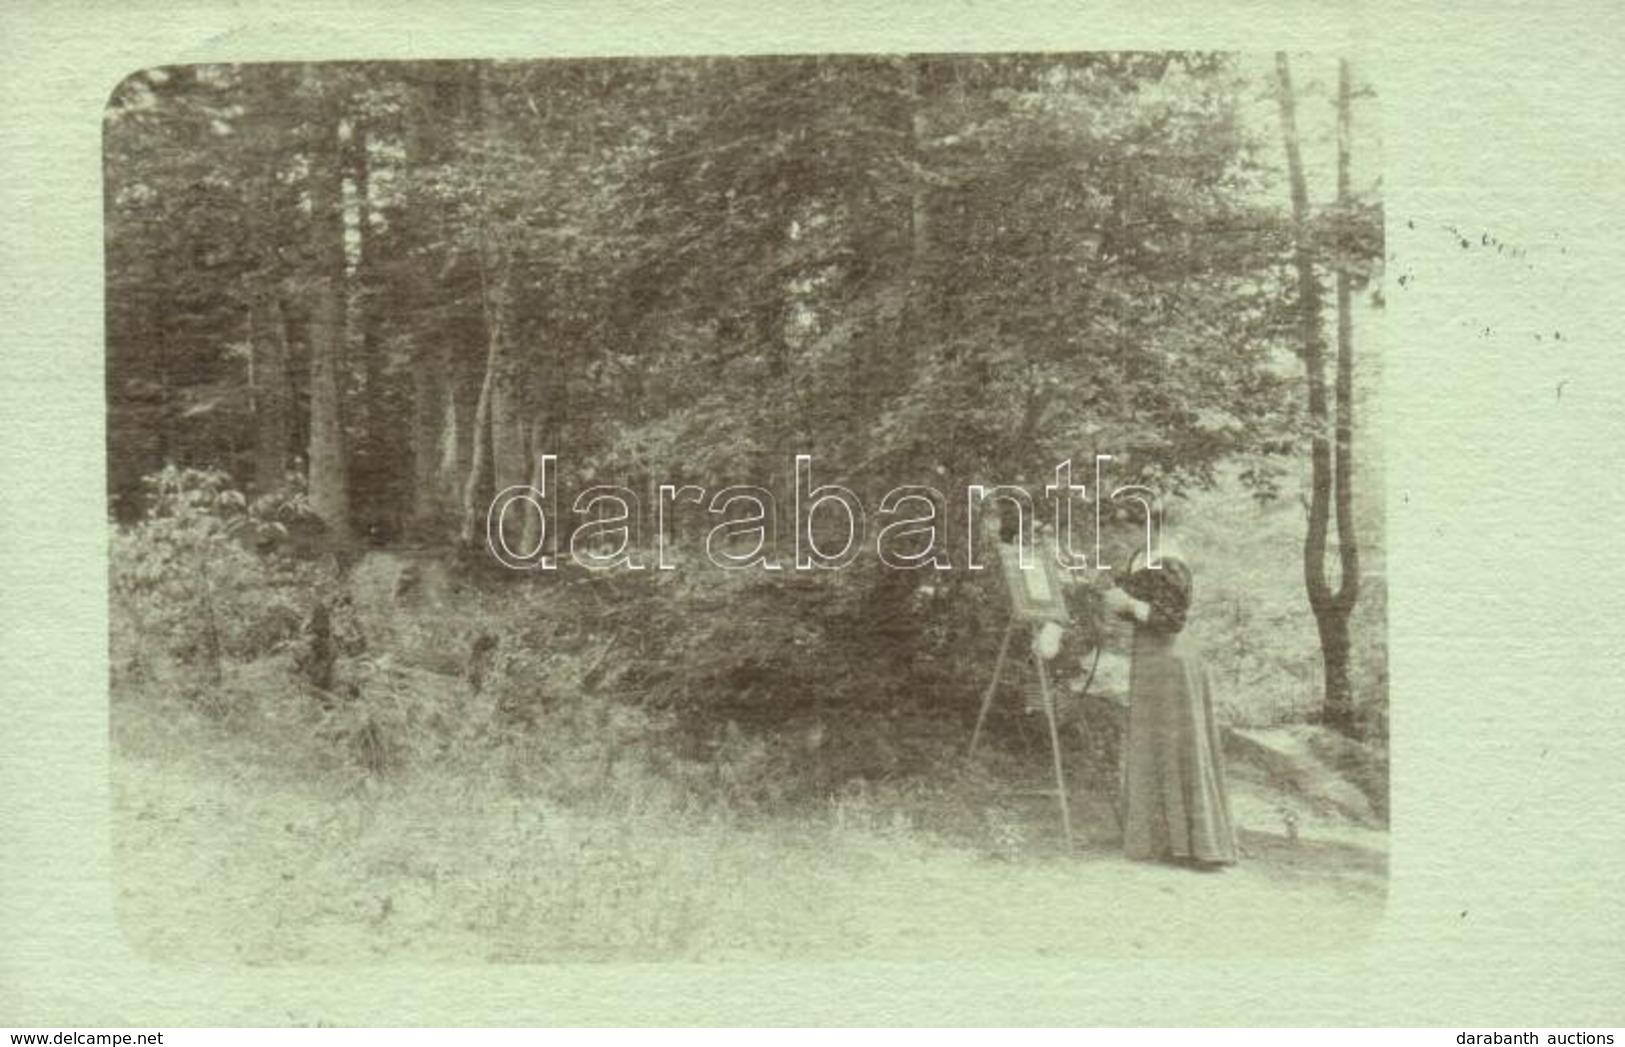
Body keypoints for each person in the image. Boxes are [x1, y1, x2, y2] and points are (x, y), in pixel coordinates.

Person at [1100, 543, 1239, 869]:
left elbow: (1172, 618)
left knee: (1178, 745)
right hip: (1152, 659)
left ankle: (1198, 845)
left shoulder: (1169, 556)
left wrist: (1129, 603)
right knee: (1158, 746)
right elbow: (1136, 606)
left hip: (1170, 659)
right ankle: (1168, 841)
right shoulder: (1142, 554)